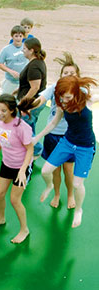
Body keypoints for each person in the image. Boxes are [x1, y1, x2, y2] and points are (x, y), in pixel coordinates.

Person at [32, 75, 97, 228]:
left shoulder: (88, 100)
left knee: (76, 184)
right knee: (45, 171)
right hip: (67, 142)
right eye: (62, 97)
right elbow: (54, 122)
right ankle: (50, 187)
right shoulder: (63, 104)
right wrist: (38, 137)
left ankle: (78, 210)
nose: (64, 100)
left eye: (67, 97)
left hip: (85, 146)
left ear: (75, 92)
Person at [30, 52, 80, 209]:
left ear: (78, 76)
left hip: (71, 137)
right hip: (52, 136)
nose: (68, 75)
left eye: (72, 73)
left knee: (69, 169)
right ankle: (57, 194)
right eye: (65, 73)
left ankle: (70, 194)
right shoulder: (54, 87)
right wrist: (29, 105)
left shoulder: (81, 91)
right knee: (55, 169)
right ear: (60, 75)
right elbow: (41, 99)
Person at [0, 94, 33, 244]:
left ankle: (24, 230)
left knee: (14, 200)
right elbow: (0, 141)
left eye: (3, 110)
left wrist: (23, 170)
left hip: (21, 167)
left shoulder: (21, 127)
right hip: (7, 163)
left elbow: (30, 150)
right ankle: (0, 219)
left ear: (12, 110)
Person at [17, 37, 47, 157]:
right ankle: (30, 147)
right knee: (29, 125)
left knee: (26, 128)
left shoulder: (34, 66)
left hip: (32, 103)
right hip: (34, 101)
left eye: (24, 49)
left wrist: (24, 103)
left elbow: (35, 87)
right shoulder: (37, 62)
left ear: (32, 50)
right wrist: (17, 90)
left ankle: (37, 150)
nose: (22, 51)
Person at [0, 25, 28, 94]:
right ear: (12, 36)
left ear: (23, 36)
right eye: (16, 36)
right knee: (5, 102)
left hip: (24, 82)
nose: (18, 38)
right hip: (10, 81)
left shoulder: (27, 48)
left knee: (22, 103)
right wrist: (10, 71)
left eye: (20, 36)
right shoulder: (6, 49)